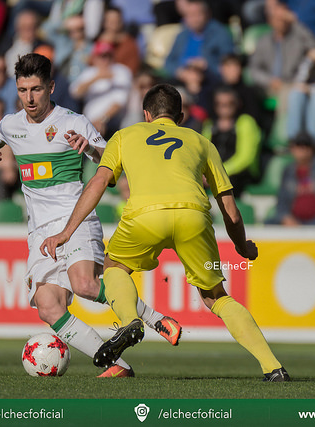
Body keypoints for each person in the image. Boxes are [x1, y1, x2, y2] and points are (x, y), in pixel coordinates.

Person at [40, 84, 290, 382]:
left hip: (145, 217)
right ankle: (273, 367)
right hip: (194, 217)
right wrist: (242, 247)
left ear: (147, 115)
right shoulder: (202, 142)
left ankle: (130, 321)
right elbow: (231, 211)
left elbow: (97, 182)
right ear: (180, 117)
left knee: (115, 267)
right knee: (216, 297)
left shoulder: (125, 136)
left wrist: (68, 231)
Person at [0, 53, 181, 378]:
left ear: (51, 87)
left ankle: (154, 319)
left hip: (77, 218)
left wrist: (90, 149)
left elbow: (113, 164)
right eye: (23, 90)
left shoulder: (74, 122)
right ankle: (118, 366)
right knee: (48, 306)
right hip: (40, 232)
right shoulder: (12, 124)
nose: (29, 98)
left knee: (84, 285)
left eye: (37, 89)